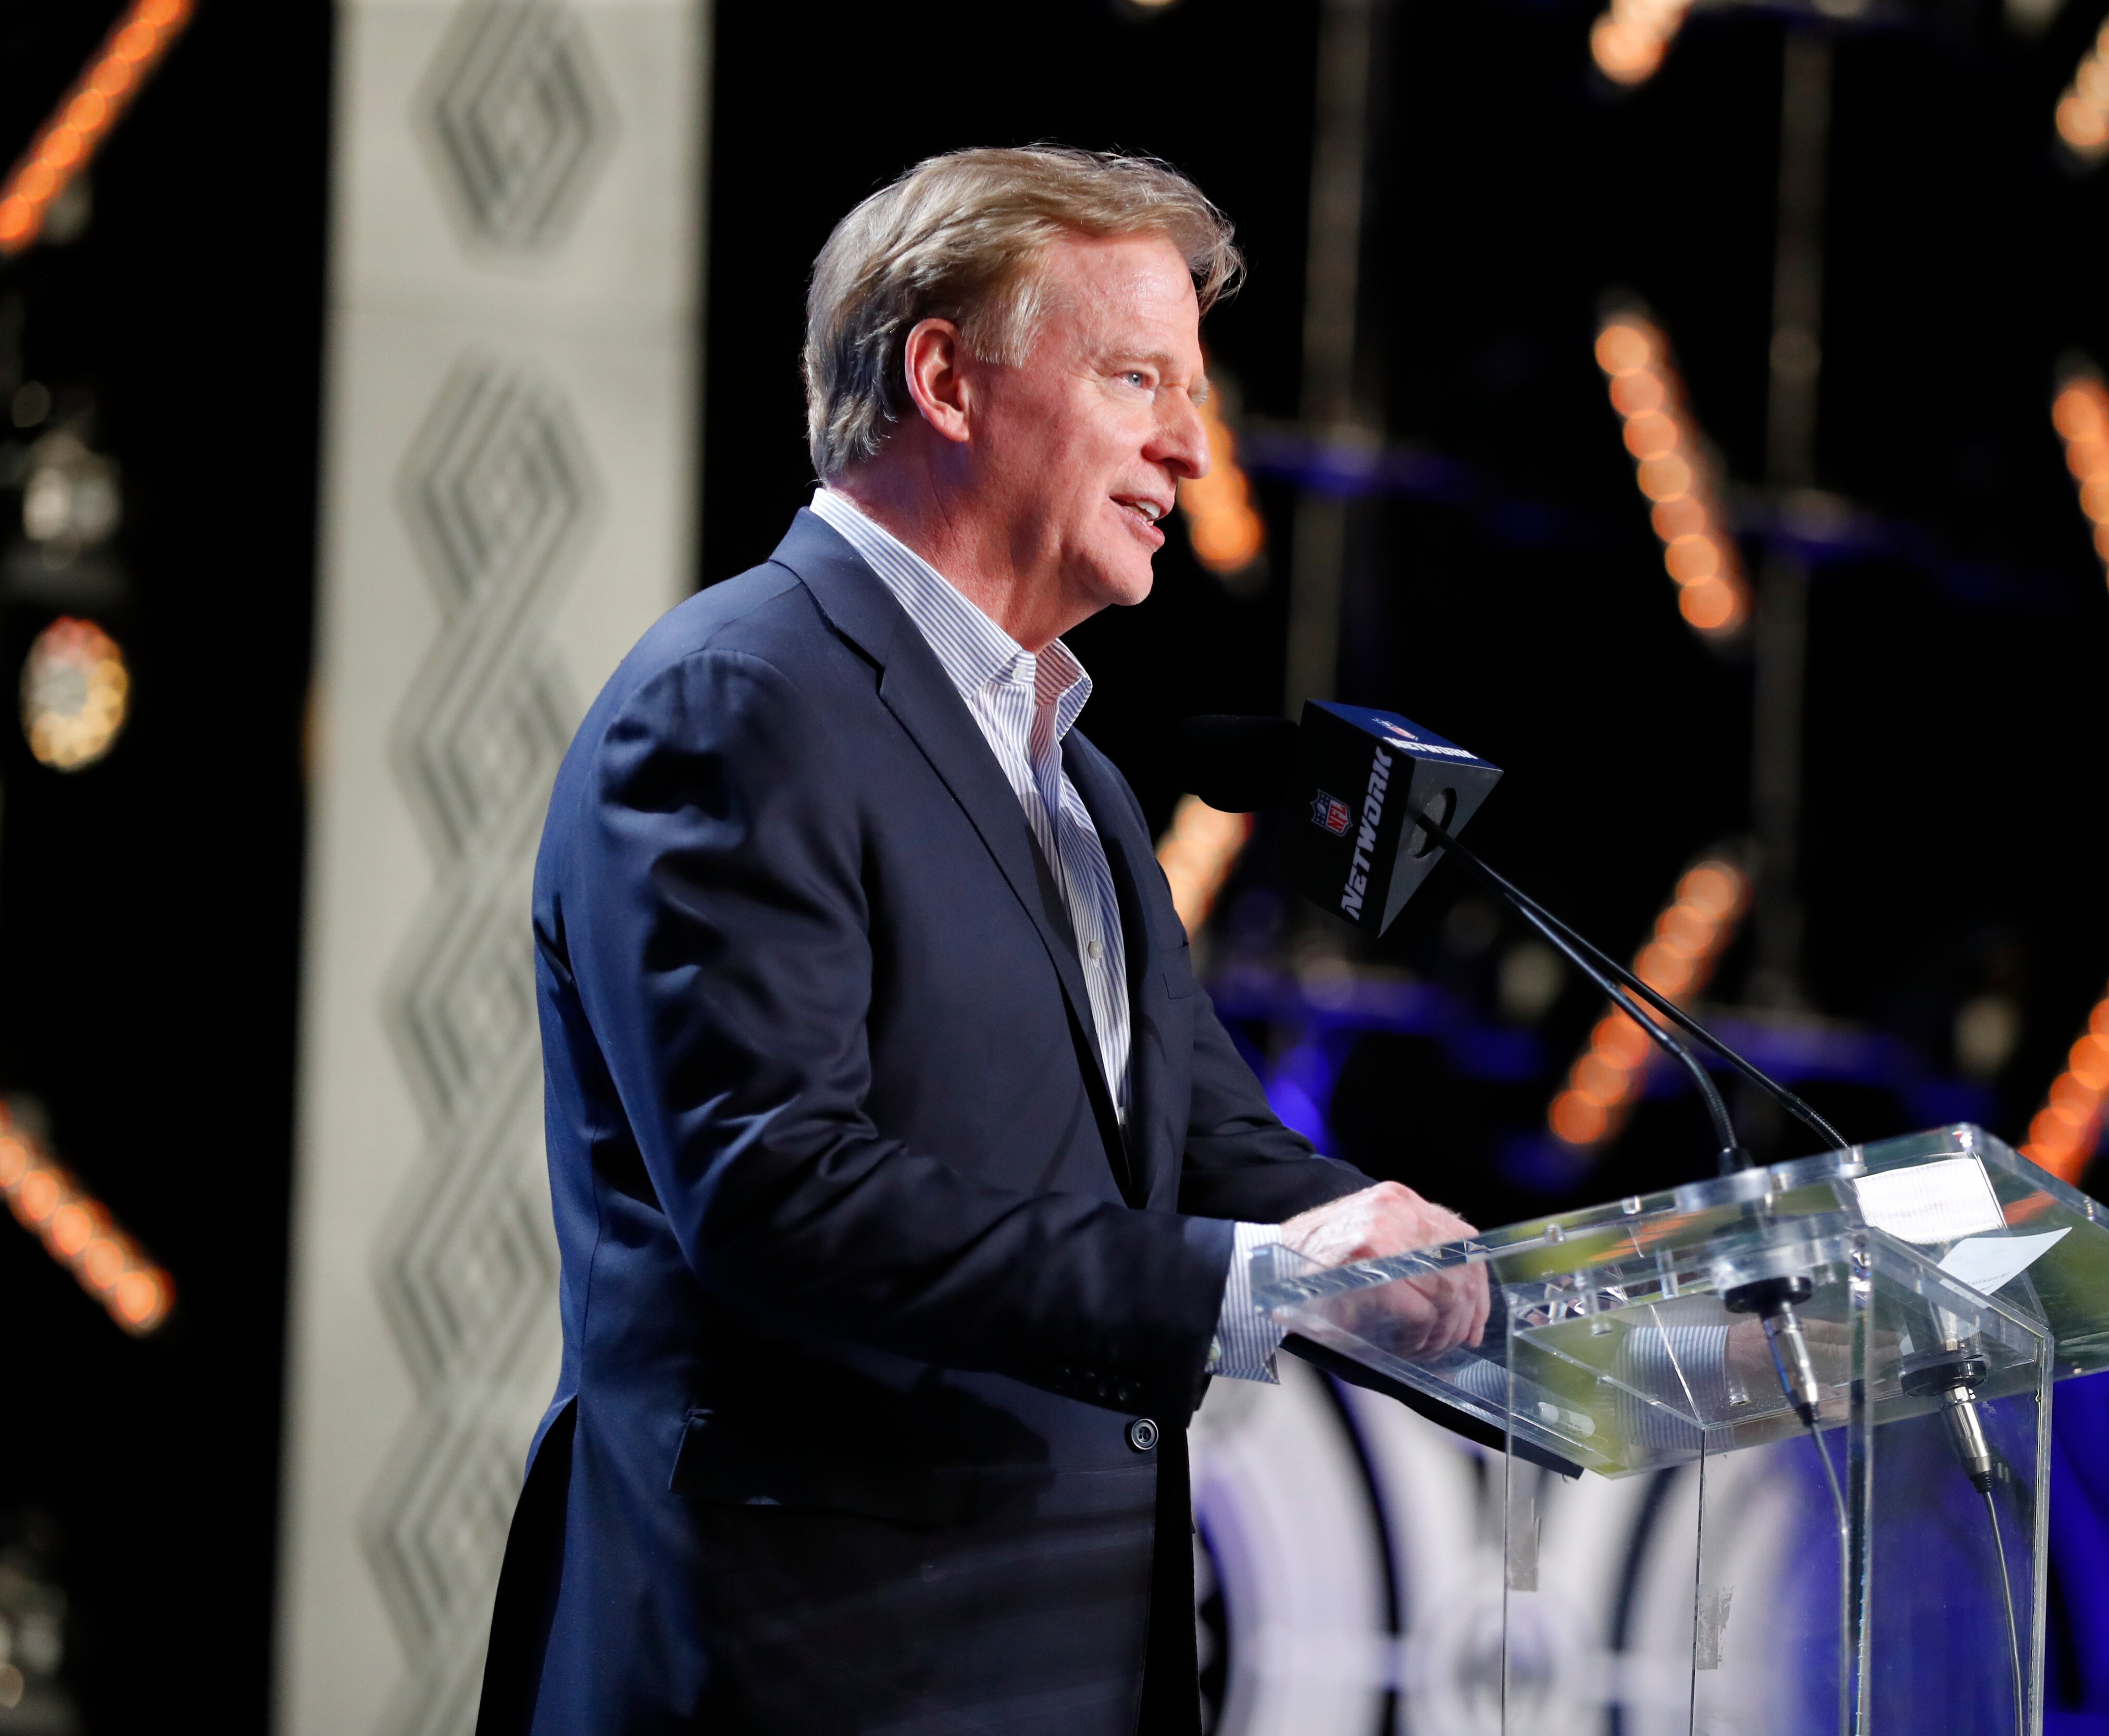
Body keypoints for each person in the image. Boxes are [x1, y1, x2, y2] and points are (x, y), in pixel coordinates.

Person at [472, 145, 1489, 1736]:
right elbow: (778, 1193)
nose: (1193, 447)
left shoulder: (1070, 764)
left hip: (1055, 1652)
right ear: (947, 378)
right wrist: (1250, 1282)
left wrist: (1423, 1255)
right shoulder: (739, 702)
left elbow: (1204, 1144)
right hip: (807, 1663)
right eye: (1138, 376)